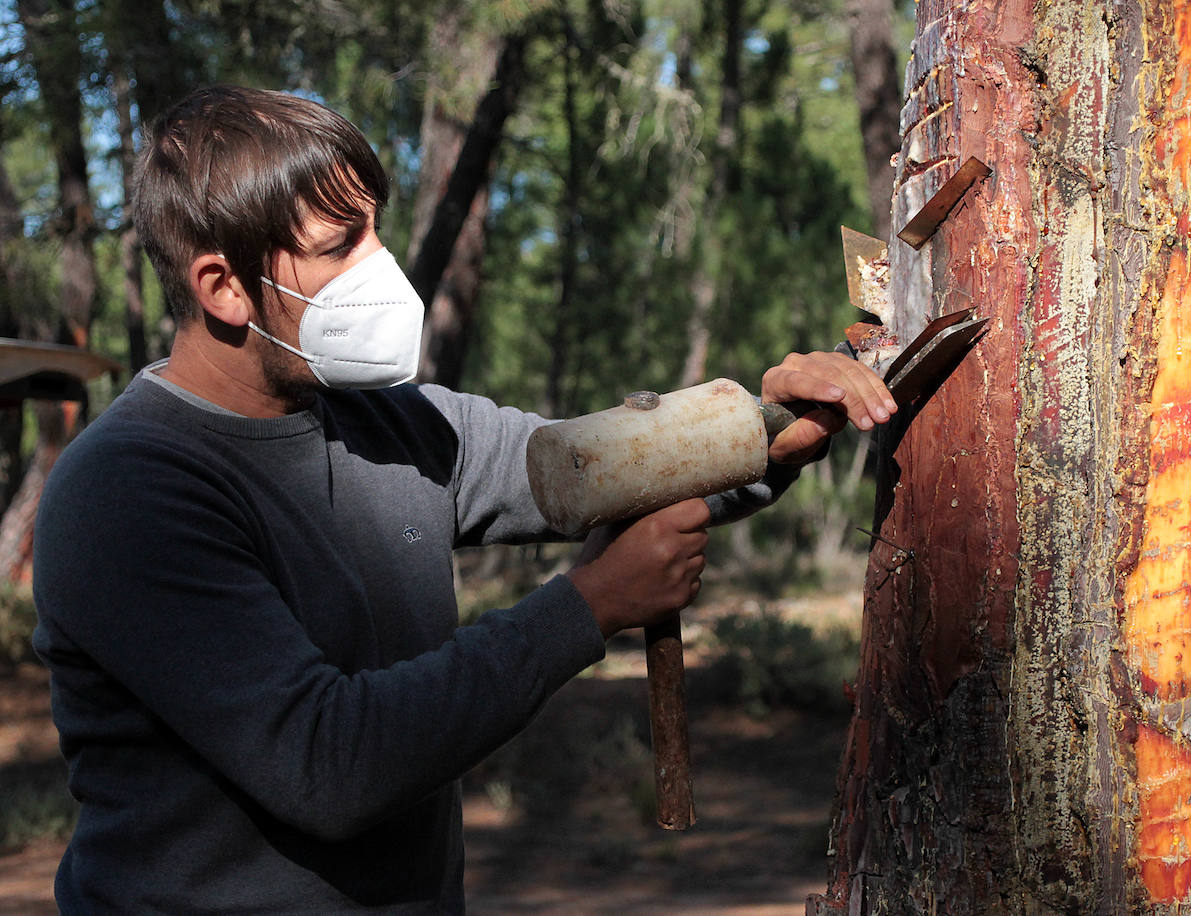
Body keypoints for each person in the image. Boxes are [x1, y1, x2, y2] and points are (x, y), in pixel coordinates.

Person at [30, 85, 898, 913]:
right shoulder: (128, 491)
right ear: (223, 287)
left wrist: (771, 425)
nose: (382, 270)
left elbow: (605, 465)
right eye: (340, 248)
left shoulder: (396, 424)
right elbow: (328, 763)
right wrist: (589, 608)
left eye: (376, 232)